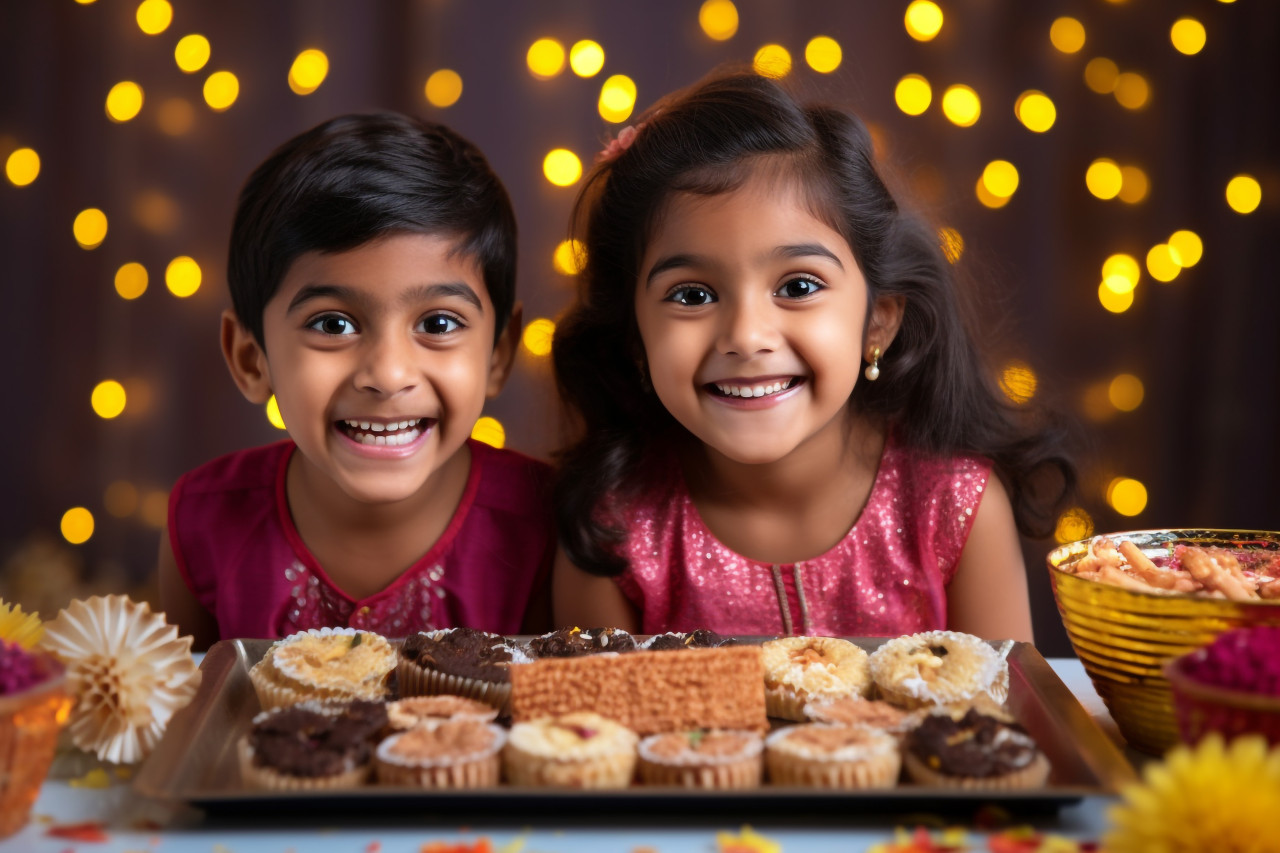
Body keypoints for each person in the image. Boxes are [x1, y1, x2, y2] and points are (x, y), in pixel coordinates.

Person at [551, 72, 1075, 642]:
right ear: (636, 339)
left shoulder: (957, 507)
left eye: (798, 287)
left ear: (879, 319)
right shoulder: (610, 532)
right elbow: (595, 730)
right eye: (692, 295)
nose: (747, 337)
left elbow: (1006, 709)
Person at [159, 112, 553, 649]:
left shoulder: (552, 524)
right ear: (252, 360)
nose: (388, 375)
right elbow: (184, 718)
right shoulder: (201, 521)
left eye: (438, 324)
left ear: (498, 355)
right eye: (333, 324)